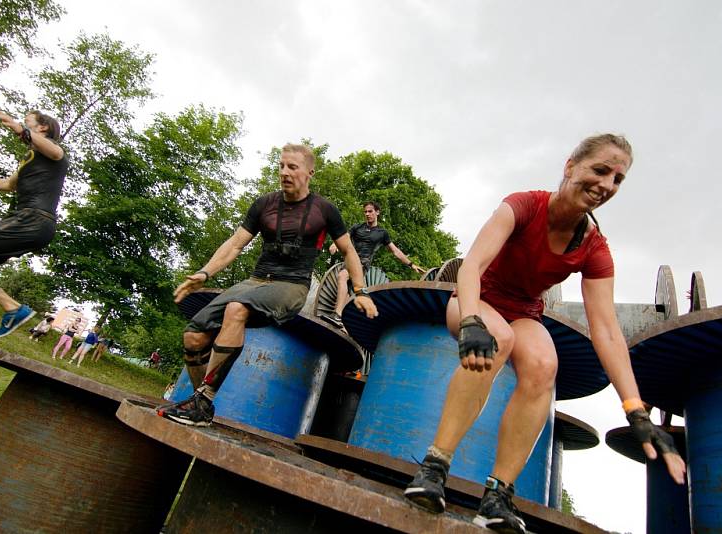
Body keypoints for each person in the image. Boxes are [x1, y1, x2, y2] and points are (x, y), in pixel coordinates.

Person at [403, 134, 686, 532]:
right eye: (600, 170)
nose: (607, 184)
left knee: (543, 364)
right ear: (571, 166)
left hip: (523, 312)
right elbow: (471, 268)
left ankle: (497, 497)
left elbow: (606, 331)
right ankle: (434, 469)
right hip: (475, 299)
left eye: (618, 179)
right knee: (496, 337)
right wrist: (470, 321)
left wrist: (634, 408)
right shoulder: (522, 205)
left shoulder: (594, 249)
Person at [157, 144, 378, 427]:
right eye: (281, 166)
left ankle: (203, 399)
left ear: (309, 172)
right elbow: (236, 243)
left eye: (292, 167)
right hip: (255, 281)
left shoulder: (325, 210)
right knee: (193, 338)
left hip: (292, 285)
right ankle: (202, 402)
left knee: (236, 308)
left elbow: (349, 251)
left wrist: (359, 291)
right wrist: (204, 272)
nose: (285, 172)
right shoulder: (264, 204)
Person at [0, 108, 68, 353]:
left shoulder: (53, 153)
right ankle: (12, 308)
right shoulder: (30, 159)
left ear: (42, 127)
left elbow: (55, 151)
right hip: (31, 224)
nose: (22, 125)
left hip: (32, 219)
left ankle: (14, 309)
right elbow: (7, 185)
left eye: (28, 122)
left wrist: (18, 126)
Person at [321, 201, 425, 328]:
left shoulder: (382, 233)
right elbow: (344, 237)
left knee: (342, 275)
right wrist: (334, 244)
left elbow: (395, 251)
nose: (367, 214)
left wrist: (411, 264)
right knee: (346, 287)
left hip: (363, 263)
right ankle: (342, 321)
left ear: (377, 212)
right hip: (351, 260)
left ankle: (337, 316)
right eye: (365, 212)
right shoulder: (357, 227)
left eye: (370, 211)